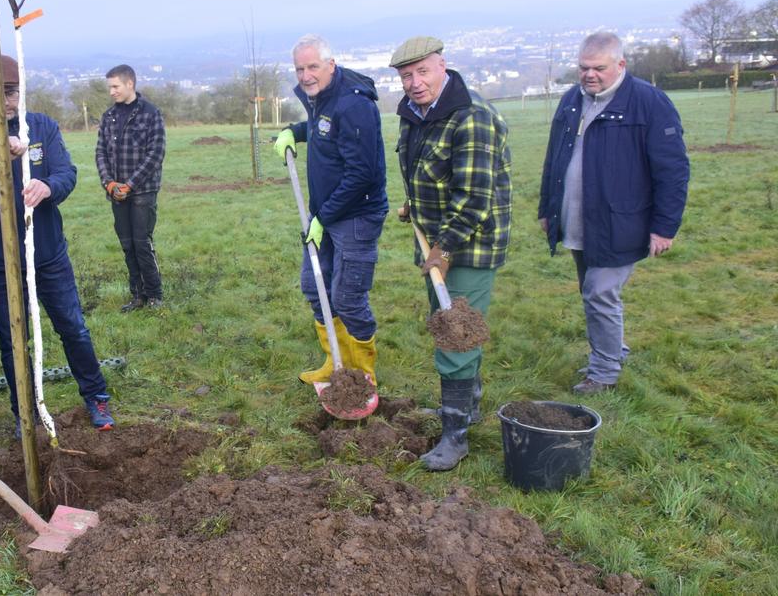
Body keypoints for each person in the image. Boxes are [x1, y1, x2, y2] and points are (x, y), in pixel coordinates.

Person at [0, 55, 115, 433]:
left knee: (73, 327)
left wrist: (48, 186)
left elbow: (67, 173)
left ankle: (96, 396)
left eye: (14, 91)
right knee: (13, 339)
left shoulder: (43, 127)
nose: (9, 99)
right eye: (0, 92)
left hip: (47, 254)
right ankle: (24, 412)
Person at [538, 31, 689, 395]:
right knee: (591, 290)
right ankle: (613, 349)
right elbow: (554, 157)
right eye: (583, 67)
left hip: (622, 221)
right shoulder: (572, 100)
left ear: (621, 65)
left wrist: (664, 227)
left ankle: (604, 372)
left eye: (599, 68)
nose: (590, 75)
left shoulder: (649, 103)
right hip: (577, 218)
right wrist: (548, 208)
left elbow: (672, 169)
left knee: (599, 292)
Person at [390, 36, 512, 472]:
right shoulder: (414, 114)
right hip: (436, 242)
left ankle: (455, 437)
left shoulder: (472, 117)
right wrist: (415, 206)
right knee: (450, 326)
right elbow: (427, 172)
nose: (415, 82)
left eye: (423, 71)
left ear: (443, 65)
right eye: (406, 75)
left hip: (469, 245)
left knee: (454, 334)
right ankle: (468, 407)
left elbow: (475, 196)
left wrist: (443, 250)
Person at [272, 34, 388, 384]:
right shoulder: (322, 97)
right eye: (299, 69)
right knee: (314, 286)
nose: (305, 75)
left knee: (347, 296)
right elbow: (324, 127)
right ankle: (334, 360)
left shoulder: (353, 105)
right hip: (325, 214)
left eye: (313, 67)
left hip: (355, 216)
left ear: (331, 65)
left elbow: (362, 175)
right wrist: (294, 130)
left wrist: (323, 217)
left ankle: (361, 373)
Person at [95, 64, 167, 312]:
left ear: (130, 84)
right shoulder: (108, 117)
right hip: (116, 194)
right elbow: (100, 153)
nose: (111, 92)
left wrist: (130, 184)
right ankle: (137, 296)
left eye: (115, 86)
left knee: (142, 243)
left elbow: (156, 154)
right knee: (127, 245)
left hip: (143, 192)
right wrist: (109, 183)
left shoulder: (150, 114)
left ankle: (155, 295)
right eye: (109, 87)